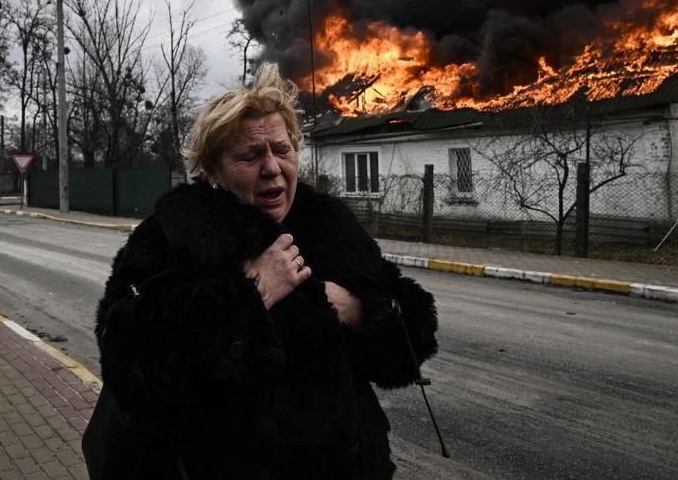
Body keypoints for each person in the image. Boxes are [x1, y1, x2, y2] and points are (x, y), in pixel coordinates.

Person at [92, 63, 439, 479]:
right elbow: (132, 369)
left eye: (282, 149)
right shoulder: (173, 236)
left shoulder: (329, 226)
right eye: (251, 155)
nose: (273, 167)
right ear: (212, 170)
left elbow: (410, 338)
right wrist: (252, 293)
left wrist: (359, 307)